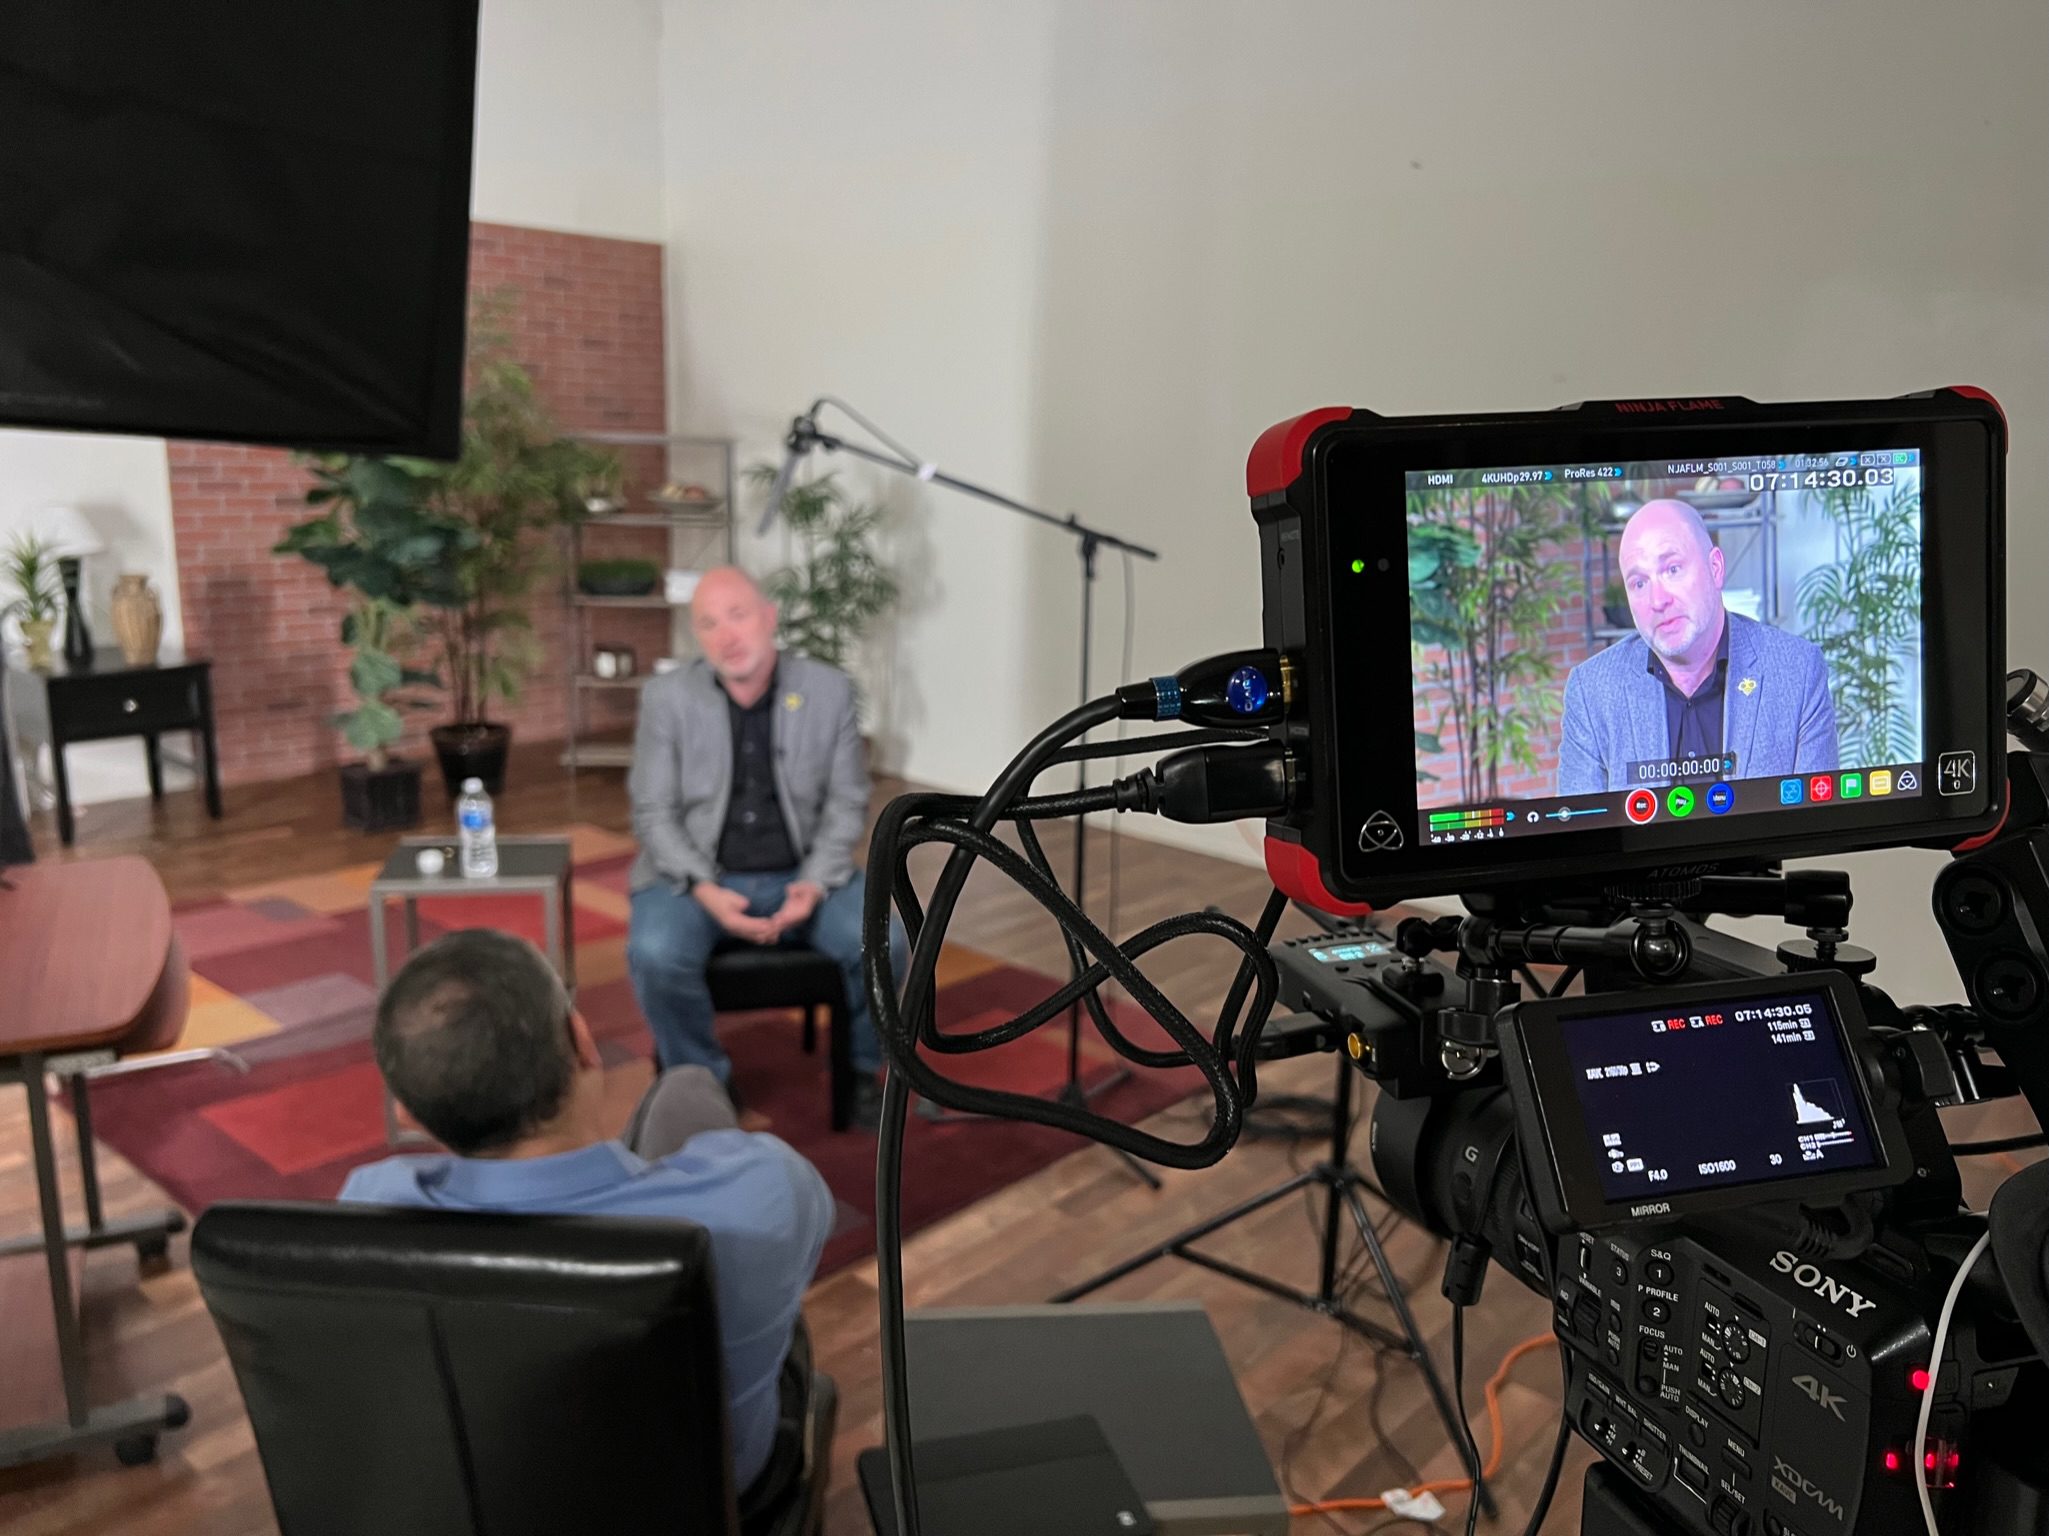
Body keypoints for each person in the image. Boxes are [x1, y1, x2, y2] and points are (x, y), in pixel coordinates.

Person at [340, 929, 834, 1516]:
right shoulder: (763, 1191)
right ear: (582, 1043)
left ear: (409, 1112)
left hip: (485, 1504)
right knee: (688, 1092)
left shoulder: (367, 1207)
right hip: (709, 1502)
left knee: (680, 1098)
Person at [625, 565, 905, 1128]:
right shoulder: (668, 698)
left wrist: (814, 882)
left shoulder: (826, 691)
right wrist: (703, 888)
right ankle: (703, 1080)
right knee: (654, 952)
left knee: (887, 941)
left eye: (739, 615)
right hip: (696, 877)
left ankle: (862, 1069)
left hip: (803, 872)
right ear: (697, 638)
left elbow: (848, 801)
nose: (727, 635)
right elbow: (653, 811)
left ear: (769, 619)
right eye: (709, 623)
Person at [1557, 499, 1839, 795]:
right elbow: (1584, 834)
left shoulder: (1798, 671)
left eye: (1673, 569)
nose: (1657, 600)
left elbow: (1816, 826)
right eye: (1639, 583)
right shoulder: (1591, 692)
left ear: (1715, 568)